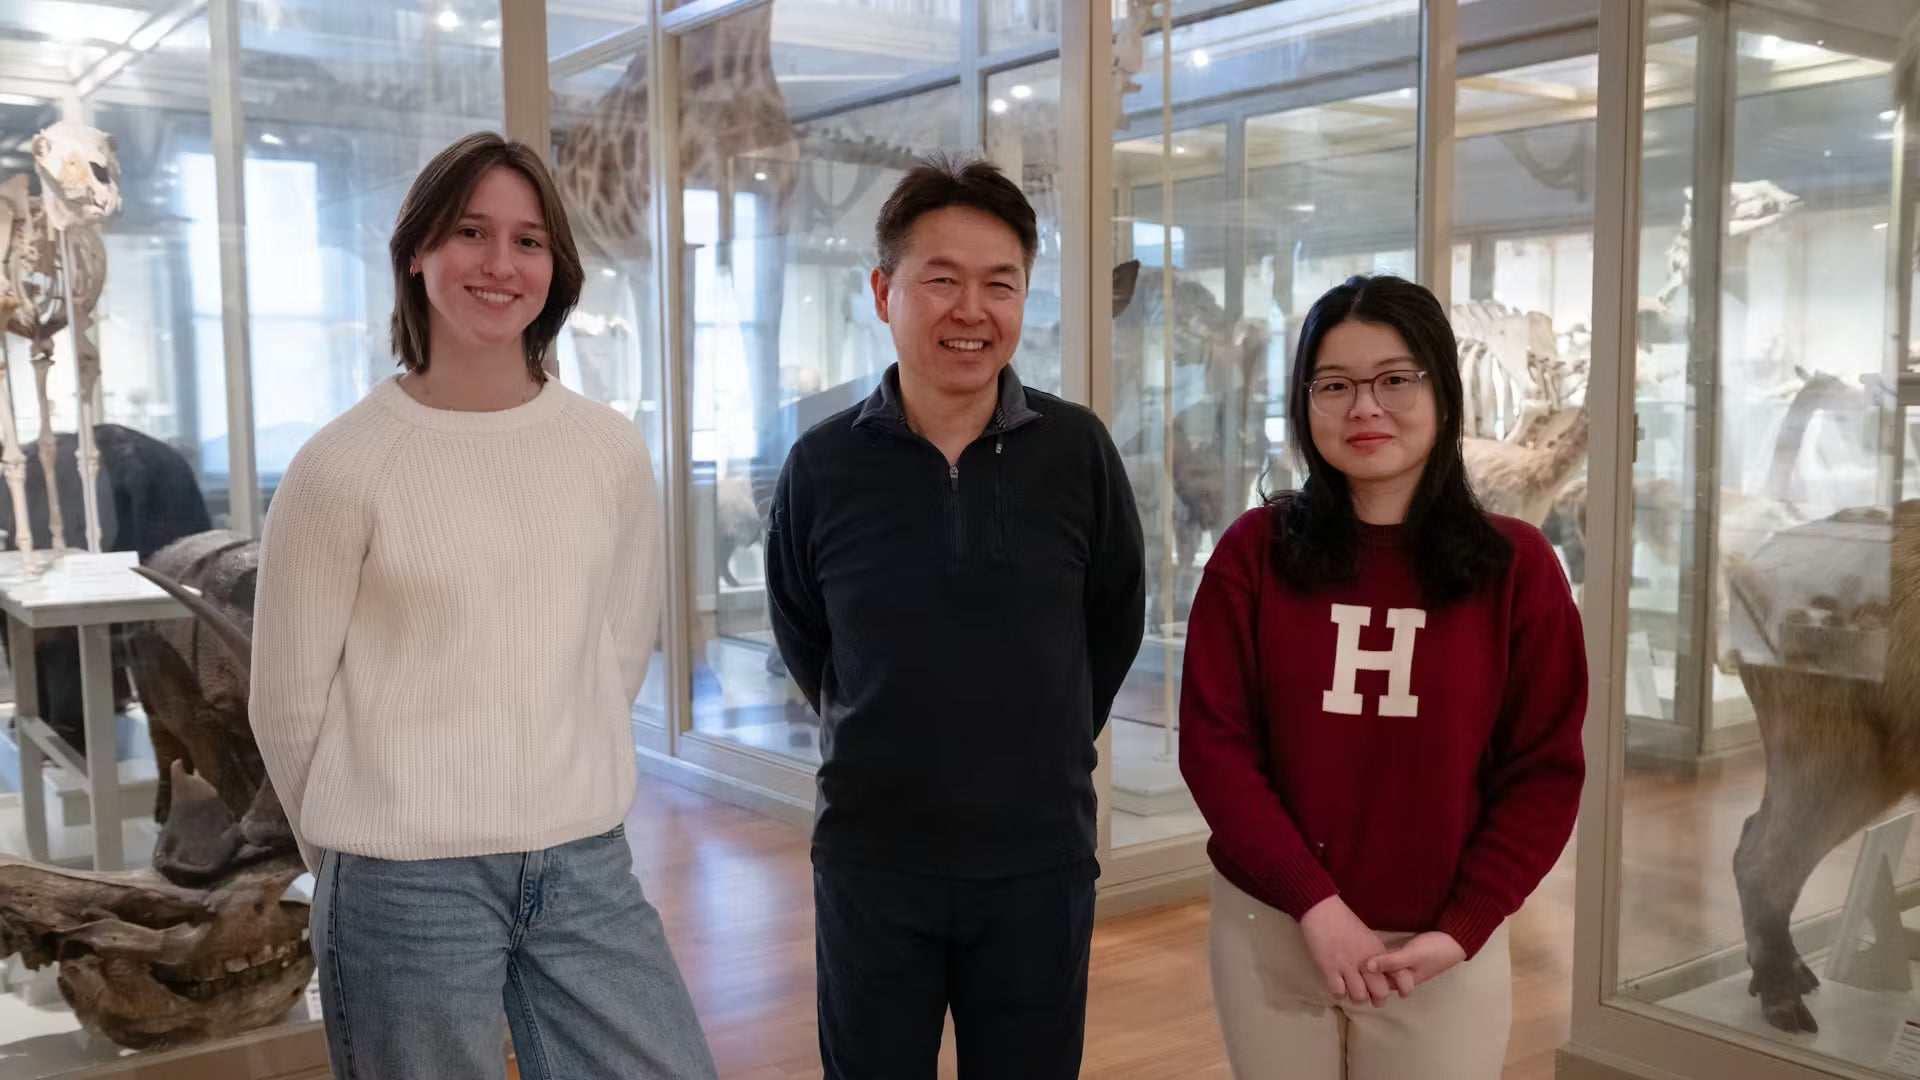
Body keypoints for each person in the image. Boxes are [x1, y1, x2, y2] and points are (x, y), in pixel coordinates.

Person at [250, 132, 717, 1080]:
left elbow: (615, 649)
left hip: (583, 861)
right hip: (401, 883)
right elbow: (288, 702)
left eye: (529, 240)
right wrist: (363, 851)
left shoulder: (607, 450)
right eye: (470, 231)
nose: (500, 264)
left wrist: (559, 779)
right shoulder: (341, 464)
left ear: (557, 268)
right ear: (417, 250)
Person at [764, 153, 1146, 1079]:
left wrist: (1037, 743)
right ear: (883, 290)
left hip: (1037, 860)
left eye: (999, 284)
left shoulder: (1078, 451)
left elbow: (1114, 622)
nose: (970, 310)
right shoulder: (820, 465)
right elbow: (807, 638)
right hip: (872, 856)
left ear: (1024, 300)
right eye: (940, 280)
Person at [1178, 274, 1586, 1079]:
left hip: (1442, 952)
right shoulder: (1253, 554)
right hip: (1275, 925)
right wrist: (1315, 905)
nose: (1365, 408)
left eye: (1395, 379)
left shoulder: (1519, 570)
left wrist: (1464, 926)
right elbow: (1216, 750)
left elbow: (1543, 771)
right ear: (1305, 403)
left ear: (1442, 389)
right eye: (1335, 385)